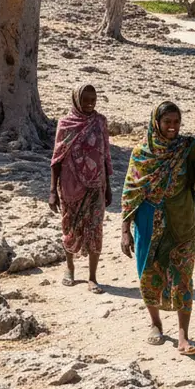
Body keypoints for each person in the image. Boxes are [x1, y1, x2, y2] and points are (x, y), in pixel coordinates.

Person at [120, 102, 195, 355]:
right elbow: (130, 192)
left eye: (176, 122)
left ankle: (184, 336)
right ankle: (155, 324)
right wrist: (124, 230)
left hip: (181, 223)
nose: (173, 127)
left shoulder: (184, 148)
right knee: (148, 274)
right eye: (167, 122)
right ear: (156, 123)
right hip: (148, 223)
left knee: (183, 278)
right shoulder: (142, 153)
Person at [49, 84, 112, 293]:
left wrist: (108, 187)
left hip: (96, 185)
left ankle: (93, 277)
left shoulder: (100, 122)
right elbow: (57, 159)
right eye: (85, 99)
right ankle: (69, 267)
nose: (90, 103)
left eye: (93, 99)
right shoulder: (66, 124)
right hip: (70, 185)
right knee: (70, 227)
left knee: (95, 229)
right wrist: (52, 191)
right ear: (76, 100)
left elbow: (104, 155)